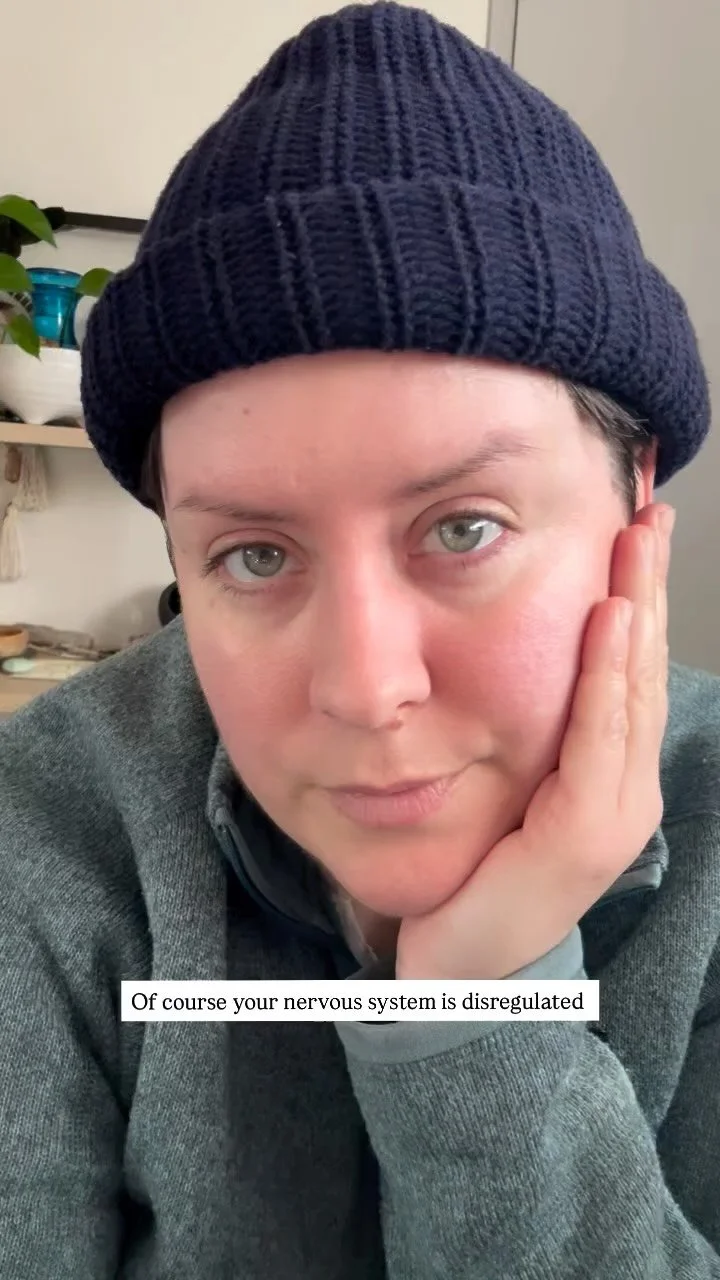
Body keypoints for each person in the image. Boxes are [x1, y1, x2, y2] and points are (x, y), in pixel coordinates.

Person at [1, 3, 718, 1276]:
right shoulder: (46, 825)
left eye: (464, 528)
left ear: (634, 500)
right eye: (254, 554)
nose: (366, 686)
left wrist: (478, 1009)